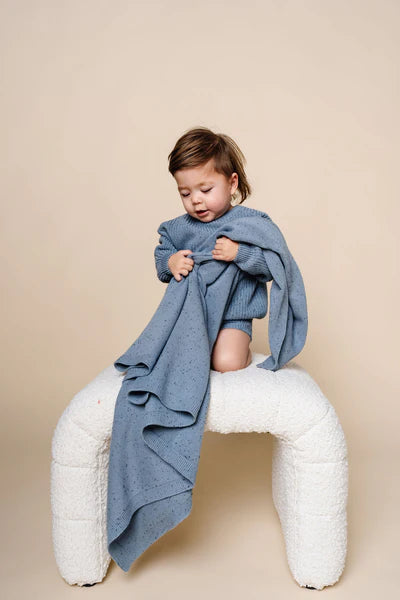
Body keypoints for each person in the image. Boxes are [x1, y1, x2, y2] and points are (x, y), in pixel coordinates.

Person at [154, 126, 276, 374]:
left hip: (233, 316)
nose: (196, 200)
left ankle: (242, 351)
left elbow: (270, 266)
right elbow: (162, 258)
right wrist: (170, 262)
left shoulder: (250, 223)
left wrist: (239, 253)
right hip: (191, 315)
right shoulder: (177, 229)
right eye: (185, 193)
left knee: (225, 362)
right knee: (170, 361)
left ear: (232, 183)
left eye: (206, 190)